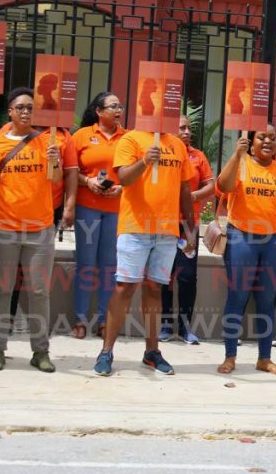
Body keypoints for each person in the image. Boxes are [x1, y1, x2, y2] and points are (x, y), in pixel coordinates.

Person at [93, 122, 197, 377]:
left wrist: (190, 227)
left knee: (154, 288)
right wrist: (144, 161)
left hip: (167, 231)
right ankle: (106, 351)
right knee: (124, 287)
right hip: (135, 227)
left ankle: (152, 352)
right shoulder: (130, 139)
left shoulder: (177, 145)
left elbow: (185, 188)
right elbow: (124, 178)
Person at [0, 88, 64, 373]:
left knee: (39, 293)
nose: (26, 112)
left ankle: (40, 352)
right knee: (1, 292)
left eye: (30, 107)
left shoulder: (47, 143)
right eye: (20, 108)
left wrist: (56, 159)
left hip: (40, 231)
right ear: (10, 112)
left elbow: (54, 180)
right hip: (3, 229)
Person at [216, 125, 276, 376]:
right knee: (238, 297)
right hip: (241, 237)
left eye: (273, 138)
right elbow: (223, 184)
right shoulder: (241, 162)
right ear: (251, 141)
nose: (268, 142)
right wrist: (236, 155)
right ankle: (230, 356)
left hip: (273, 242)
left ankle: (264, 358)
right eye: (262, 137)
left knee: (267, 300)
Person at [70, 92, 125, 340]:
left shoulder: (128, 138)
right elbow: (70, 171)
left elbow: (134, 173)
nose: (118, 110)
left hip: (116, 208)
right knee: (86, 264)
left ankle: (104, 320)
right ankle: (79, 319)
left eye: (120, 107)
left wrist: (122, 188)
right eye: (113, 106)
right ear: (99, 111)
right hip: (87, 207)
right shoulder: (82, 136)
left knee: (109, 266)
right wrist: (87, 181)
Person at [159, 115, 214, 344]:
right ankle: (165, 324)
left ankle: (185, 326)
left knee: (188, 276)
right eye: (181, 128)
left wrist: (192, 197)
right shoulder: (163, 153)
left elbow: (210, 185)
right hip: (165, 224)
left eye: (188, 128)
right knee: (164, 276)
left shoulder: (198, 156)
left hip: (188, 225)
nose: (187, 132)